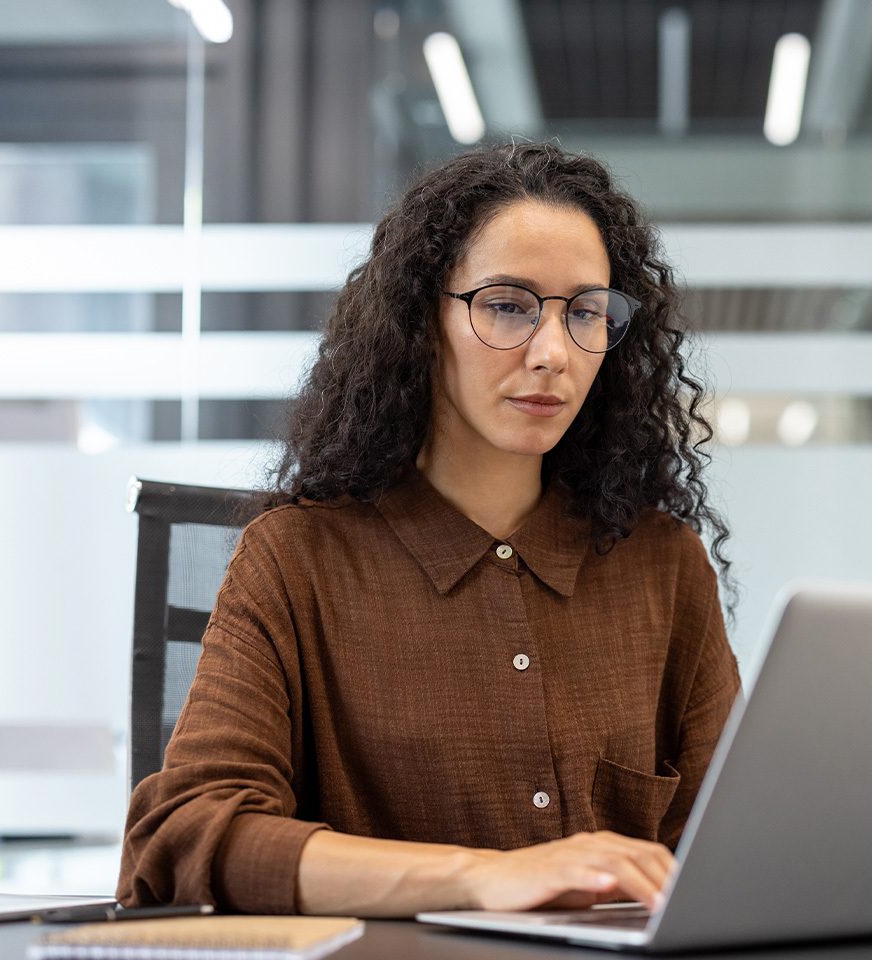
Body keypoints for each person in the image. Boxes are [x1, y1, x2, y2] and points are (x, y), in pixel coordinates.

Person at [117, 141, 741, 918]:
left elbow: (734, 852)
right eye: (509, 305)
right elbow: (184, 837)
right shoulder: (296, 561)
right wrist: (479, 877)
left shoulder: (661, 565)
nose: (554, 353)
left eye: (585, 312)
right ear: (422, 319)